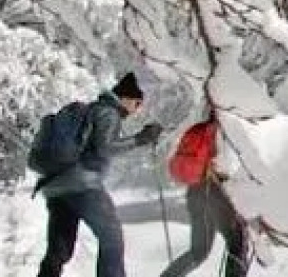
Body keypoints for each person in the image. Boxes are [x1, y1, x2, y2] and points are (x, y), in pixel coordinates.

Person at [35, 72, 164, 277]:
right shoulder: (109, 113)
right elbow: (105, 147)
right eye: (137, 103)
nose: (138, 109)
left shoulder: (92, 110)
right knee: (111, 237)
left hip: (56, 185)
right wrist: (141, 139)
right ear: (126, 98)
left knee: (60, 248)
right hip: (82, 185)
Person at [160, 108, 252, 277]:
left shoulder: (200, 129)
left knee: (199, 251)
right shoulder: (225, 133)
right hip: (214, 194)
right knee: (237, 243)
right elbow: (227, 169)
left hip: (195, 192)